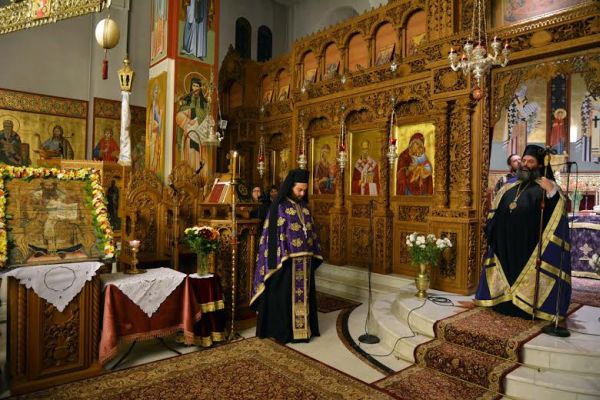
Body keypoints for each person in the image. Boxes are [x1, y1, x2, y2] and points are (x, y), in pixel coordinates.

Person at [475, 144, 571, 320]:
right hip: (505, 243)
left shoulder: (547, 186)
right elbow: (495, 211)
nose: (525, 164)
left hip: (530, 244)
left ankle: (526, 306)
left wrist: (552, 192)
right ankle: (503, 300)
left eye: (530, 161)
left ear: (540, 165)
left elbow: (558, 213)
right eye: (524, 160)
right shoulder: (509, 186)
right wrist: (492, 230)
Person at [250, 169, 323, 343]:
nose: (302, 193)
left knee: (304, 297)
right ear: (291, 187)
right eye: (299, 190)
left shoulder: (304, 208)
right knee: (284, 298)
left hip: (304, 262)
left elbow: (310, 232)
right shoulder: (279, 207)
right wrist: (277, 259)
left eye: (305, 190)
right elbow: (271, 237)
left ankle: (303, 330)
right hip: (285, 263)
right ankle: (285, 332)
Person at [176, 77, 208, 170]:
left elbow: (206, 117)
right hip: (189, 135)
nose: (195, 88)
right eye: (194, 85)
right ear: (191, 87)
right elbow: (179, 116)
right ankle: (190, 175)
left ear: (200, 88)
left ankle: (200, 176)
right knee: (190, 157)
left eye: (197, 86)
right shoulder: (186, 101)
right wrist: (188, 121)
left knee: (200, 159)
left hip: (200, 135)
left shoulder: (204, 103)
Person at [507, 84, 539, 156]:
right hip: (515, 127)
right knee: (514, 143)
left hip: (522, 127)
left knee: (521, 144)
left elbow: (526, 115)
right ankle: (513, 156)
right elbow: (512, 115)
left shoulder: (526, 104)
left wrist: (521, 110)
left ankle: (521, 156)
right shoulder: (513, 105)